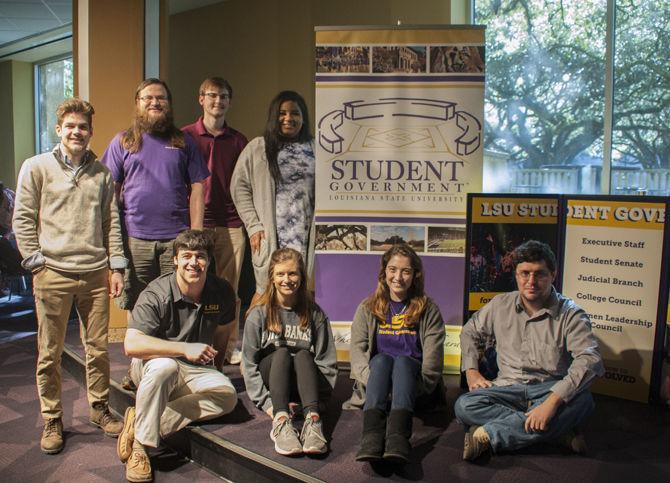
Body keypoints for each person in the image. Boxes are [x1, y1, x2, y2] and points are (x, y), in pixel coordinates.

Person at [12, 98, 127, 454]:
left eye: (83, 127)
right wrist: (36, 263)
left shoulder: (102, 174)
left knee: (99, 349)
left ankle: (99, 409)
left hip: (94, 274)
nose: (77, 132)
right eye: (70, 126)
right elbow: (23, 218)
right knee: (49, 353)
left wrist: (117, 266)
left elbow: (111, 224)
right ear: (59, 129)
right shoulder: (36, 167)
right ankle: (52, 418)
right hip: (53, 274)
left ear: (91, 132)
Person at [455, 240, 604, 461]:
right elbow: (470, 332)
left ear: (553, 274)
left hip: (549, 390)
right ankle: (556, 432)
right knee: (464, 405)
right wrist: (471, 371)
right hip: (506, 388)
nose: (531, 281)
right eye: (524, 273)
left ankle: (489, 434)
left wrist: (551, 404)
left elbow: (590, 359)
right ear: (515, 274)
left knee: (584, 402)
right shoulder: (499, 305)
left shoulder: (571, 313)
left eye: (539, 274)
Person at [117, 229, 238, 482]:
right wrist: (184, 349)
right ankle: (142, 447)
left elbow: (223, 330)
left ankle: (141, 421)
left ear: (209, 260)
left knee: (227, 397)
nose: (193, 262)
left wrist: (217, 368)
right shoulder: (156, 293)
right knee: (165, 368)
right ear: (175, 260)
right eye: (186, 256)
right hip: (153, 365)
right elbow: (131, 344)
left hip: (194, 368)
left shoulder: (221, 290)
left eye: (200, 256)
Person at [101, 78, 209, 310]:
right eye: (148, 98)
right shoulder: (123, 142)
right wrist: (113, 239)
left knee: (177, 302)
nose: (155, 102)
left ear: (169, 104)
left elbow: (198, 189)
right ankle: (141, 346)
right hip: (135, 239)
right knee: (138, 304)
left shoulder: (184, 142)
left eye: (161, 98)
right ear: (137, 103)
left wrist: (196, 236)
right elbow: (110, 195)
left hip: (176, 239)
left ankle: (171, 347)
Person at [345, 244, 445, 464]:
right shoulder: (367, 307)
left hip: (413, 384)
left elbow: (432, 364)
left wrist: (410, 387)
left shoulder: (429, 309)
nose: (398, 277)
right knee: (380, 361)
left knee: (402, 362)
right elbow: (358, 354)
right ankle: (371, 436)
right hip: (378, 381)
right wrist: (374, 384)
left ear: (415, 276)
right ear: (384, 272)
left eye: (405, 271)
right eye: (392, 269)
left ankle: (398, 437)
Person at [241, 248, 337, 456]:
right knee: (283, 353)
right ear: (272, 278)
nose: (287, 279)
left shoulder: (314, 313)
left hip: (305, 386)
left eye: (292, 273)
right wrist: (267, 404)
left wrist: (321, 401)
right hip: (274, 385)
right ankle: (281, 421)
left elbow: (326, 362)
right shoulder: (258, 314)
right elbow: (248, 365)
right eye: (281, 274)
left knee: (303, 355)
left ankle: (313, 422)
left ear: (302, 277)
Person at [182, 77, 248, 365]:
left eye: (223, 96)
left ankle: (228, 346)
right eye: (212, 95)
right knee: (193, 286)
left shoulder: (239, 140)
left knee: (229, 290)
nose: (217, 101)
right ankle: (194, 342)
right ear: (201, 99)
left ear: (229, 102)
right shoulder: (184, 137)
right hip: (195, 223)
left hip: (231, 223)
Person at [231, 90, 315, 299]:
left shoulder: (315, 149)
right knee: (265, 295)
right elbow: (239, 186)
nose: (288, 118)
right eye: (282, 113)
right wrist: (253, 225)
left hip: (304, 235)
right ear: (273, 117)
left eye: (295, 113)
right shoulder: (258, 147)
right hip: (270, 235)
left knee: (300, 293)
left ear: (303, 118)